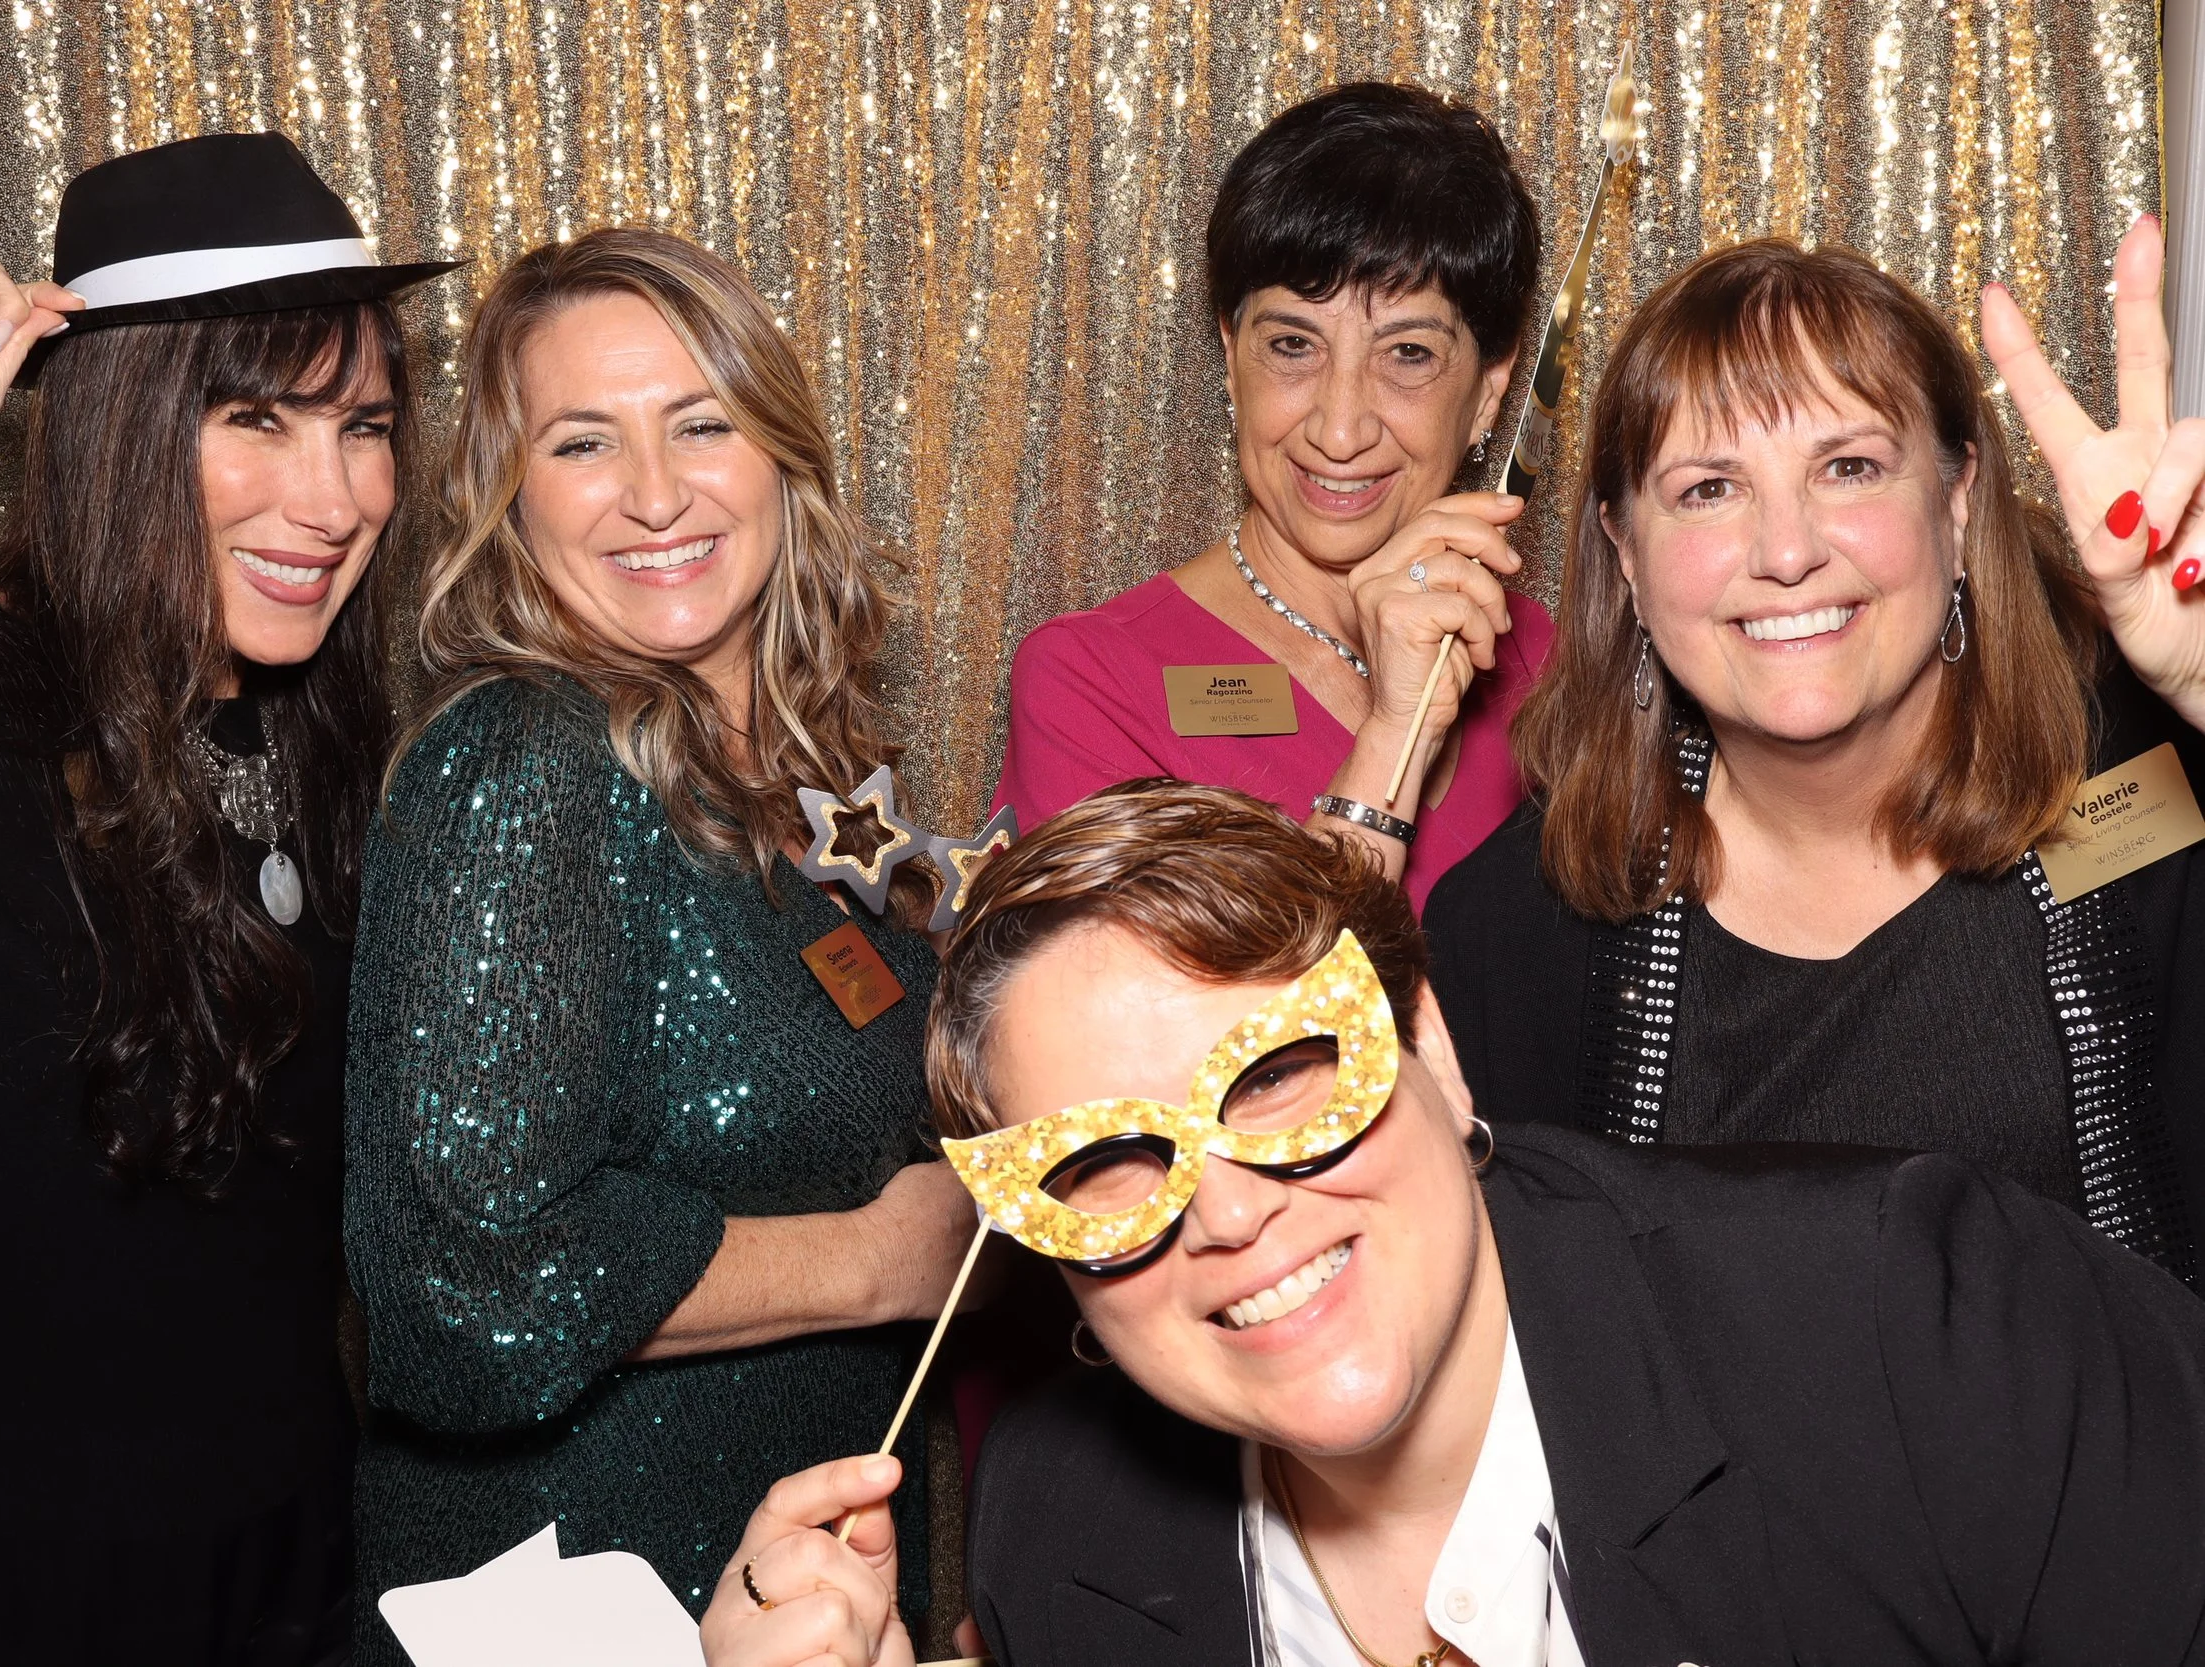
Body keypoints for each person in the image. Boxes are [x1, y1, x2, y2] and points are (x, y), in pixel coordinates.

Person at [701, 781, 2205, 1667]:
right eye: (1105, 1161)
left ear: (1428, 1044)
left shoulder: (1907, 1317)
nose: (1228, 1211)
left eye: (1285, 1076)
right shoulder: (1055, 1529)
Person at [0, 131, 453, 1662]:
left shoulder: (332, 729)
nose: (332, 497)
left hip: (283, 1571)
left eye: (363, 424)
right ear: (118, 424)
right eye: (256, 417)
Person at [344, 227, 976, 1653]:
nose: (652, 494)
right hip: (586, 1592)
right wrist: (884, 1257)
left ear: (778, 452)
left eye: (701, 422)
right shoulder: (525, 763)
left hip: (805, 1581)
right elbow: (466, 1285)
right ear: (510, 498)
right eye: (582, 443)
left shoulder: (800, 780)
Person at [1423, 221, 2205, 1277]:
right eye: (1708, 488)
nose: (1787, 551)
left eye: (1847, 467)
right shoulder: (1511, 928)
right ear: (1625, 549)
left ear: (1957, 495)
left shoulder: (2158, 814)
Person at [993, 81, 1555, 910]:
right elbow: (1204, 1038)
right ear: (1230, 356)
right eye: (1293, 345)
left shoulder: (1546, 668)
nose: (1338, 429)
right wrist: (1393, 736)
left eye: (1407, 355)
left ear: (1489, 391)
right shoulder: (1091, 686)